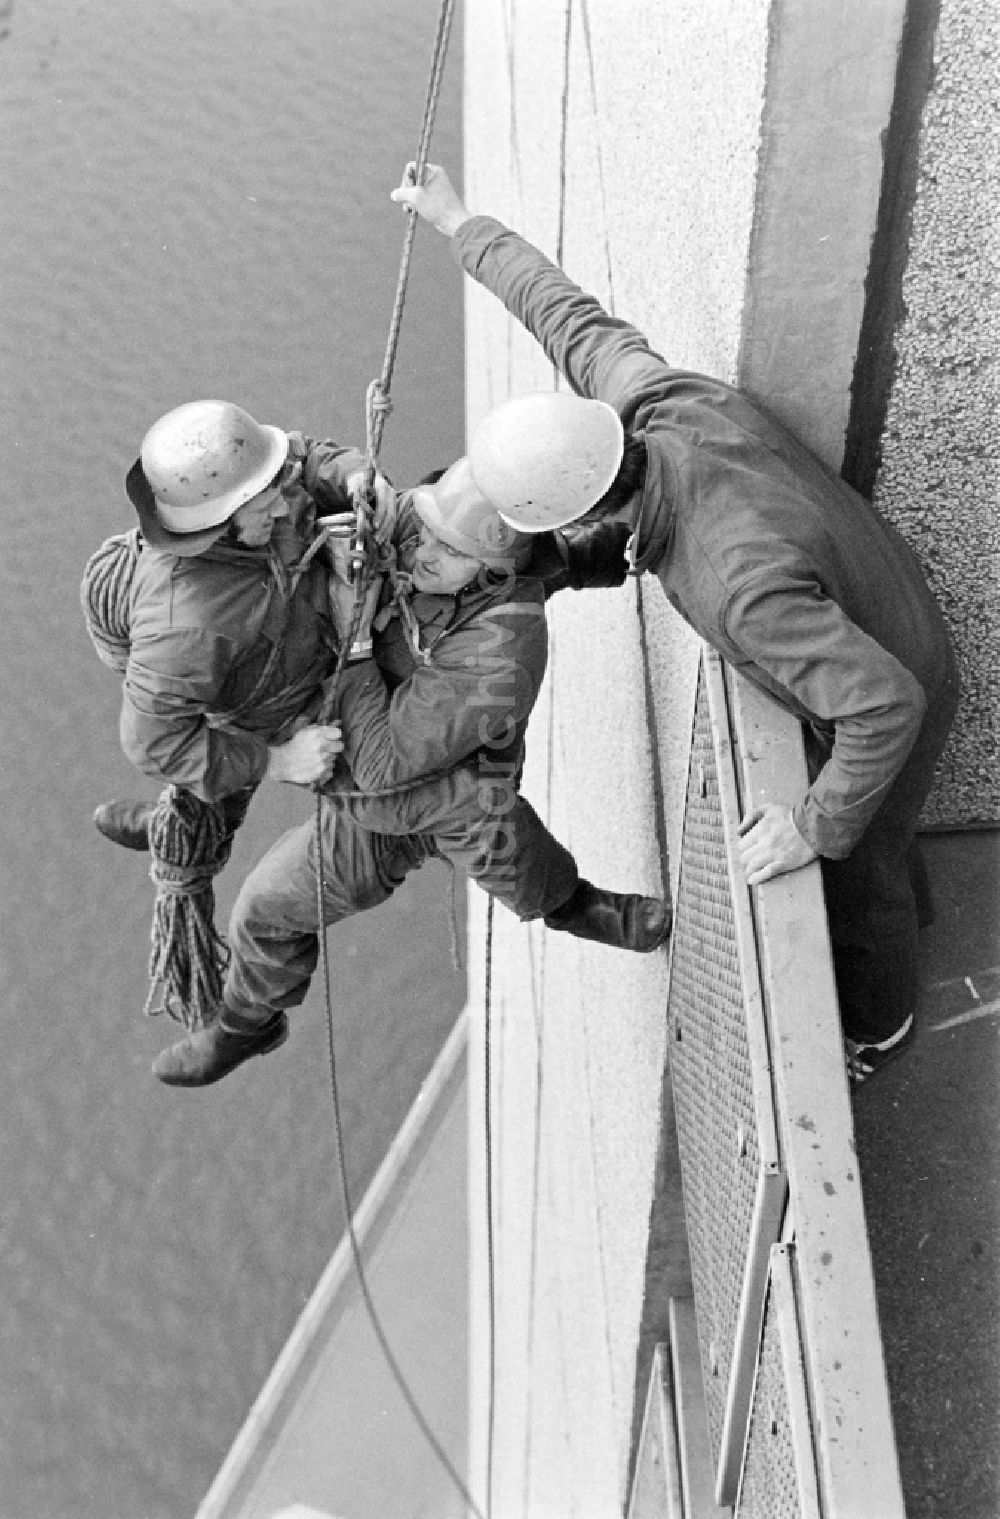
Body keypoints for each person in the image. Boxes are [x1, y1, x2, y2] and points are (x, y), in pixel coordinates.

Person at [391, 162, 960, 1085]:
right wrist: (460, 221)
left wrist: (815, 826)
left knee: (862, 868)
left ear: (579, 515)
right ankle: (892, 871)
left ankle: (883, 1023)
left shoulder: (733, 579)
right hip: (867, 601)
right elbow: (560, 310)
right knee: (875, 826)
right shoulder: (651, 403)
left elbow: (885, 705)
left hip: (896, 674)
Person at [92, 399, 671, 1086]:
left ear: (485, 567)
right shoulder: (410, 538)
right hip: (349, 706)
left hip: (395, 782)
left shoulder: (500, 656)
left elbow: (380, 761)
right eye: (425, 532)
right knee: (254, 738)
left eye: (443, 548)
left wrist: (358, 628)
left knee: (476, 825)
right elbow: (167, 732)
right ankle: (244, 1010)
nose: (415, 548)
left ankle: (577, 908)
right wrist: (369, 489)